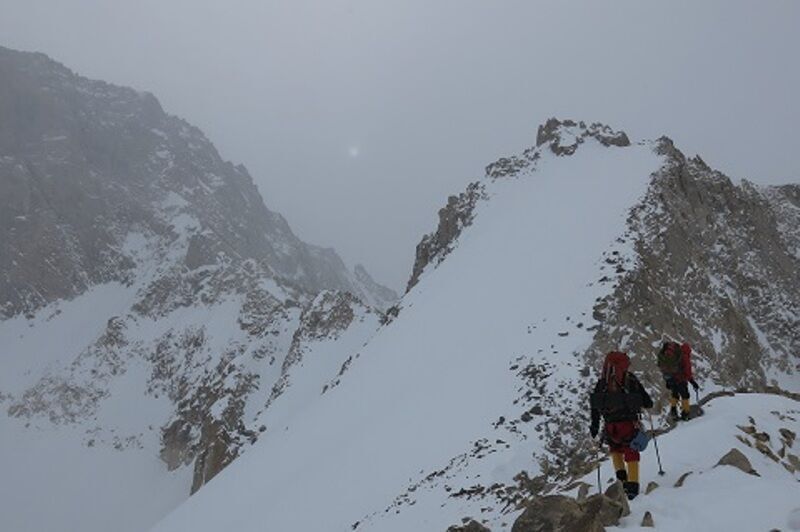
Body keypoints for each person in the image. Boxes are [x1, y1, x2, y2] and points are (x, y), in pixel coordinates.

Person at [590, 351, 653, 500]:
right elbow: (647, 401)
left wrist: (594, 425)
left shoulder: (602, 383)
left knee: (615, 450)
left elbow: (595, 406)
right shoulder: (630, 379)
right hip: (628, 424)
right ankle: (633, 487)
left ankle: (622, 481)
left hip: (610, 426)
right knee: (631, 451)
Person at [657, 341, 699, 421]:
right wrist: (692, 382)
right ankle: (685, 413)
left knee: (675, 394)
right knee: (685, 395)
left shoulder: (674, 356)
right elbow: (688, 373)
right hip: (680, 379)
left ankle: (673, 411)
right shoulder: (685, 357)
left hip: (670, 378)